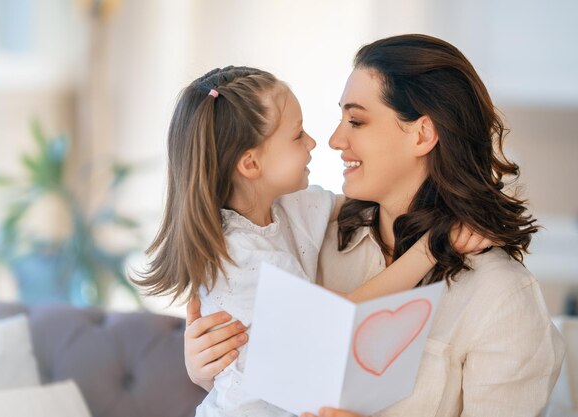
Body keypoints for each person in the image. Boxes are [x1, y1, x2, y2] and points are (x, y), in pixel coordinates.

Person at [183, 35, 565, 417]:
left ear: (422, 134)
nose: (333, 140)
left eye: (356, 120)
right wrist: (211, 366)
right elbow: (269, 368)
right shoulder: (309, 240)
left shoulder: (500, 296)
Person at [135, 66, 491, 417]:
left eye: (356, 121)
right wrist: (430, 248)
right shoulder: (242, 257)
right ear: (251, 163)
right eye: (297, 135)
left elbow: (351, 202)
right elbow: (341, 315)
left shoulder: (288, 208)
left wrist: (465, 203)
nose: (318, 142)